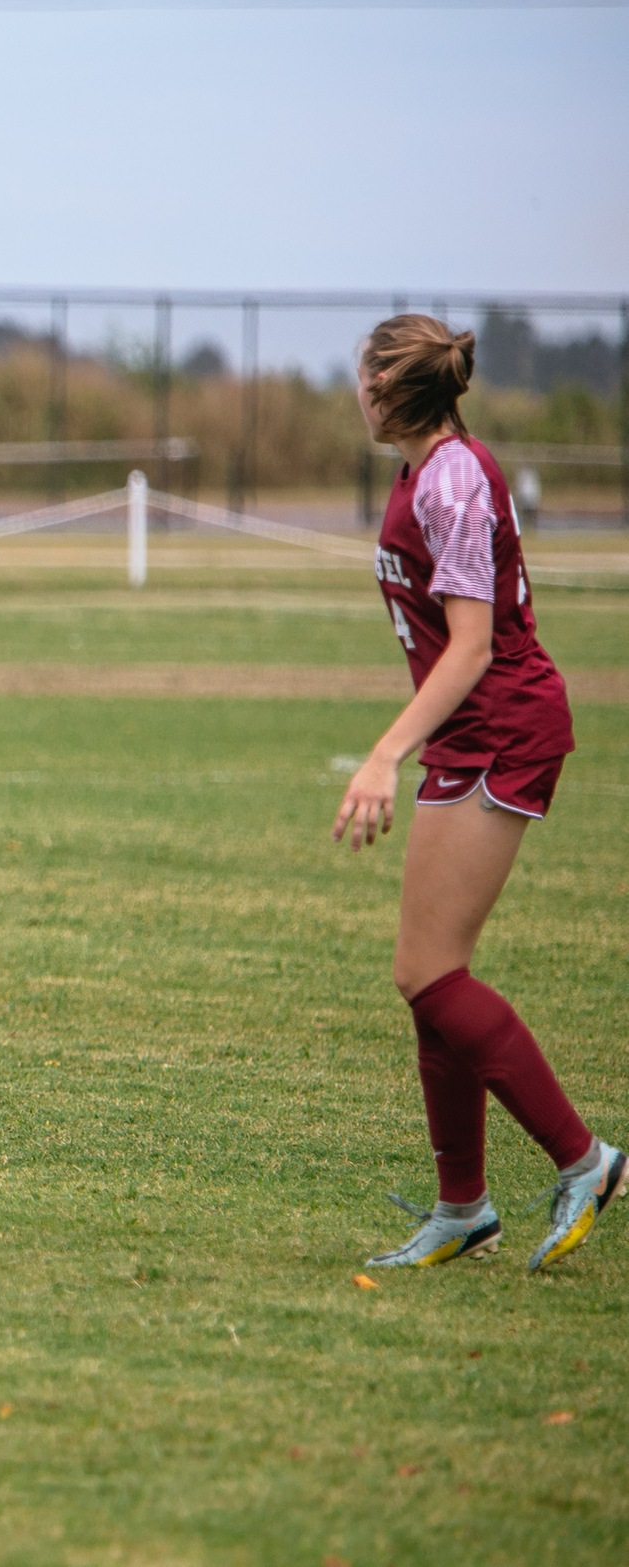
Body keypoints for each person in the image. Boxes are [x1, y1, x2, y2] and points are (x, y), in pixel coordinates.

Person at [335, 315, 621, 1273]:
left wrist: (381, 754)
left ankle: (585, 1161)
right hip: (470, 731)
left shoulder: (452, 478)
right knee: (425, 975)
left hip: (501, 728)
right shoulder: (421, 465)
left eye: (362, 375)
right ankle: (463, 1205)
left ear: (387, 389)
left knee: (429, 973)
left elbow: (472, 645)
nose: (355, 390)